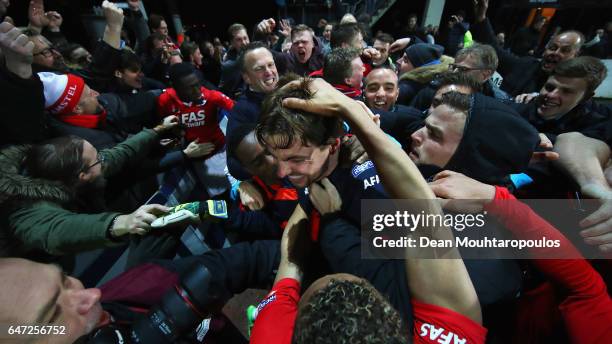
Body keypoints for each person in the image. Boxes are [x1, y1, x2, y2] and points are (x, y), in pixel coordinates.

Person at [250, 78, 486, 343]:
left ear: (333, 145)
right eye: (275, 157)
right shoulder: (324, 176)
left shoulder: (377, 196)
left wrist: (332, 227)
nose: (281, 172)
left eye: (296, 160)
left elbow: (401, 286)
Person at [0, 122, 178, 263]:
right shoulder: (22, 210)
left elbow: (116, 155)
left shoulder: (55, 168)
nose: (102, 158)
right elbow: (58, 230)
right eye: (97, 159)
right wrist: (124, 221)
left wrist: (156, 130)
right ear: (82, 176)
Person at [472, 0, 584, 96]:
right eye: (553, 47)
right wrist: (481, 18)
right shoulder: (526, 65)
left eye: (565, 50)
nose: (555, 53)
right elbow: (495, 51)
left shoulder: (570, 91)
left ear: (576, 56)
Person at [410, 43, 510, 111]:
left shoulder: (498, 104)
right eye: (454, 67)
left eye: (463, 70)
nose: (455, 72)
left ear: (485, 75)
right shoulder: (433, 90)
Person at [219, 23, 251, 97]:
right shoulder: (228, 65)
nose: (244, 42)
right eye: (239, 40)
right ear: (232, 43)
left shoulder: (250, 52)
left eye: (245, 38)